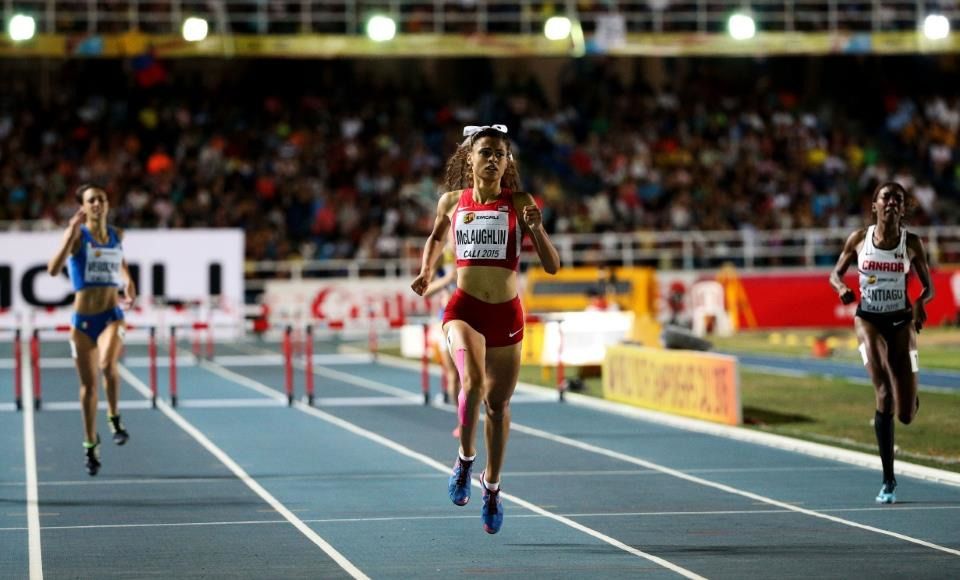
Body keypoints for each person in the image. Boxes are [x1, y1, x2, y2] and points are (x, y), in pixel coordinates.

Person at [411, 124, 560, 534]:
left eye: (500, 153)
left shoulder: (520, 202)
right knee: (471, 383)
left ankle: (491, 486)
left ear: (507, 161)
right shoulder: (451, 202)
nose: (493, 158)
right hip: (464, 309)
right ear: (470, 158)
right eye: (486, 152)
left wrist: (538, 228)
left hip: (507, 316)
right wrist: (426, 273)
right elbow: (435, 240)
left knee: (497, 407)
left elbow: (551, 265)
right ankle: (464, 460)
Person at [829, 181, 934, 504]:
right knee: (884, 393)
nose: (891, 203)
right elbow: (835, 274)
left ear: (902, 208)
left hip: (902, 321)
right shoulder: (859, 239)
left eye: (897, 199)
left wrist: (919, 303)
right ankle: (888, 480)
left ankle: (911, 398)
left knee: (905, 414)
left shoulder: (912, 243)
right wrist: (841, 288)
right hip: (869, 319)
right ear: (874, 204)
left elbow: (929, 288)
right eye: (885, 197)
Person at [47, 185, 136, 476]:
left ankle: (113, 417)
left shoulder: (116, 235)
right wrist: (69, 236)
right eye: (91, 200)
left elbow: (119, 262)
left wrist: (128, 281)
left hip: (112, 315)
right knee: (88, 388)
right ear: (83, 207)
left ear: (107, 204)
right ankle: (90, 442)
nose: (97, 203)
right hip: (83, 322)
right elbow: (52, 269)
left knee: (107, 365)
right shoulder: (76, 236)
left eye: (101, 199)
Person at [423, 238, 461, 437]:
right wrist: (448, 280)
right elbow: (425, 291)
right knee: (453, 375)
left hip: (473, 317)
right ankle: (461, 420)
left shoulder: (472, 249)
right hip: (447, 319)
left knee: (477, 375)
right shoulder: (442, 257)